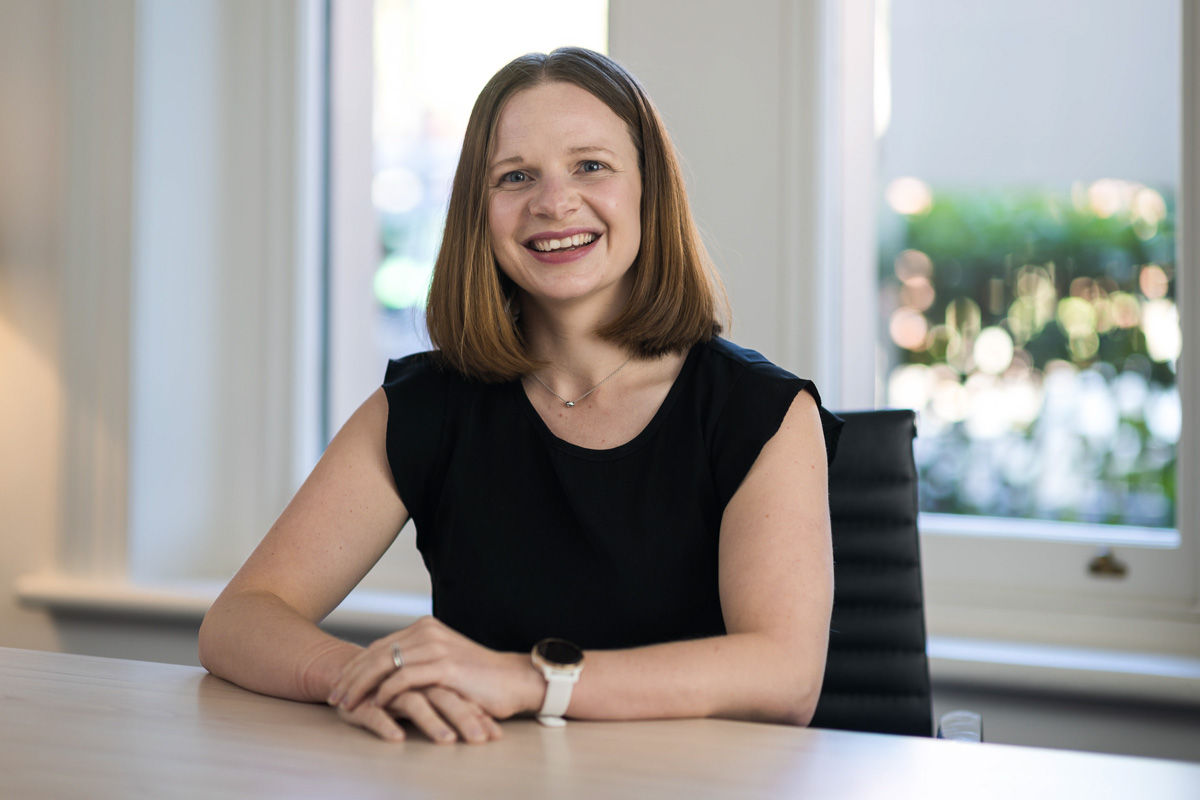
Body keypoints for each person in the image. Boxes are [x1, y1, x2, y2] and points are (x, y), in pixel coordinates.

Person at [198, 46, 842, 745]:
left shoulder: (760, 413)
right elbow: (240, 618)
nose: (553, 202)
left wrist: (525, 679)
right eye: (515, 176)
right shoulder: (426, 406)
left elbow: (784, 677)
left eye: (590, 165)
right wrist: (365, 676)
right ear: (479, 211)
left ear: (649, 191)